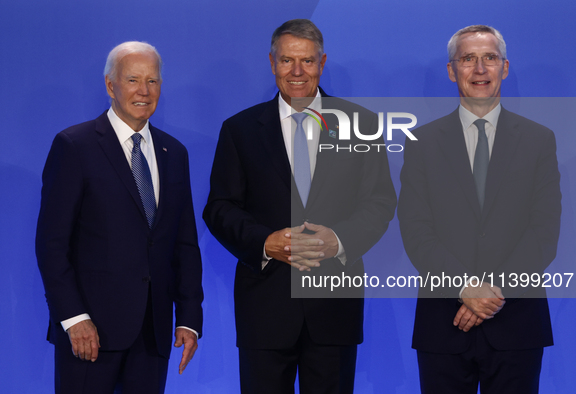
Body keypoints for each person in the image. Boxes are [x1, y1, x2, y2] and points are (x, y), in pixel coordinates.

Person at [203, 19, 396, 393]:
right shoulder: (239, 130)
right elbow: (220, 207)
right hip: (265, 308)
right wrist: (265, 242)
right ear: (272, 62)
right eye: (287, 61)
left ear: (322, 62)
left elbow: (380, 201)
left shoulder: (360, 124)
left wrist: (338, 240)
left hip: (333, 310)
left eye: (306, 61)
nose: (296, 72)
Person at [398, 25, 561, 393]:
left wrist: (490, 293)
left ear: (505, 67)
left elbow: (544, 232)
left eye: (489, 58)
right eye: (468, 59)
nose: (480, 69)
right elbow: (416, 230)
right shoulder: (422, 144)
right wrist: (463, 287)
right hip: (444, 324)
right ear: (451, 70)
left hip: (517, 323)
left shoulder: (539, 140)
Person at [35, 41, 203, 394]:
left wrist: (189, 318)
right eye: (133, 80)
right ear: (111, 86)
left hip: (152, 335)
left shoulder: (175, 153)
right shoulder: (74, 145)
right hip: (89, 334)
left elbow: (184, 244)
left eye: (153, 81)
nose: (144, 91)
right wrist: (74, 318)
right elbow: (52, 245)